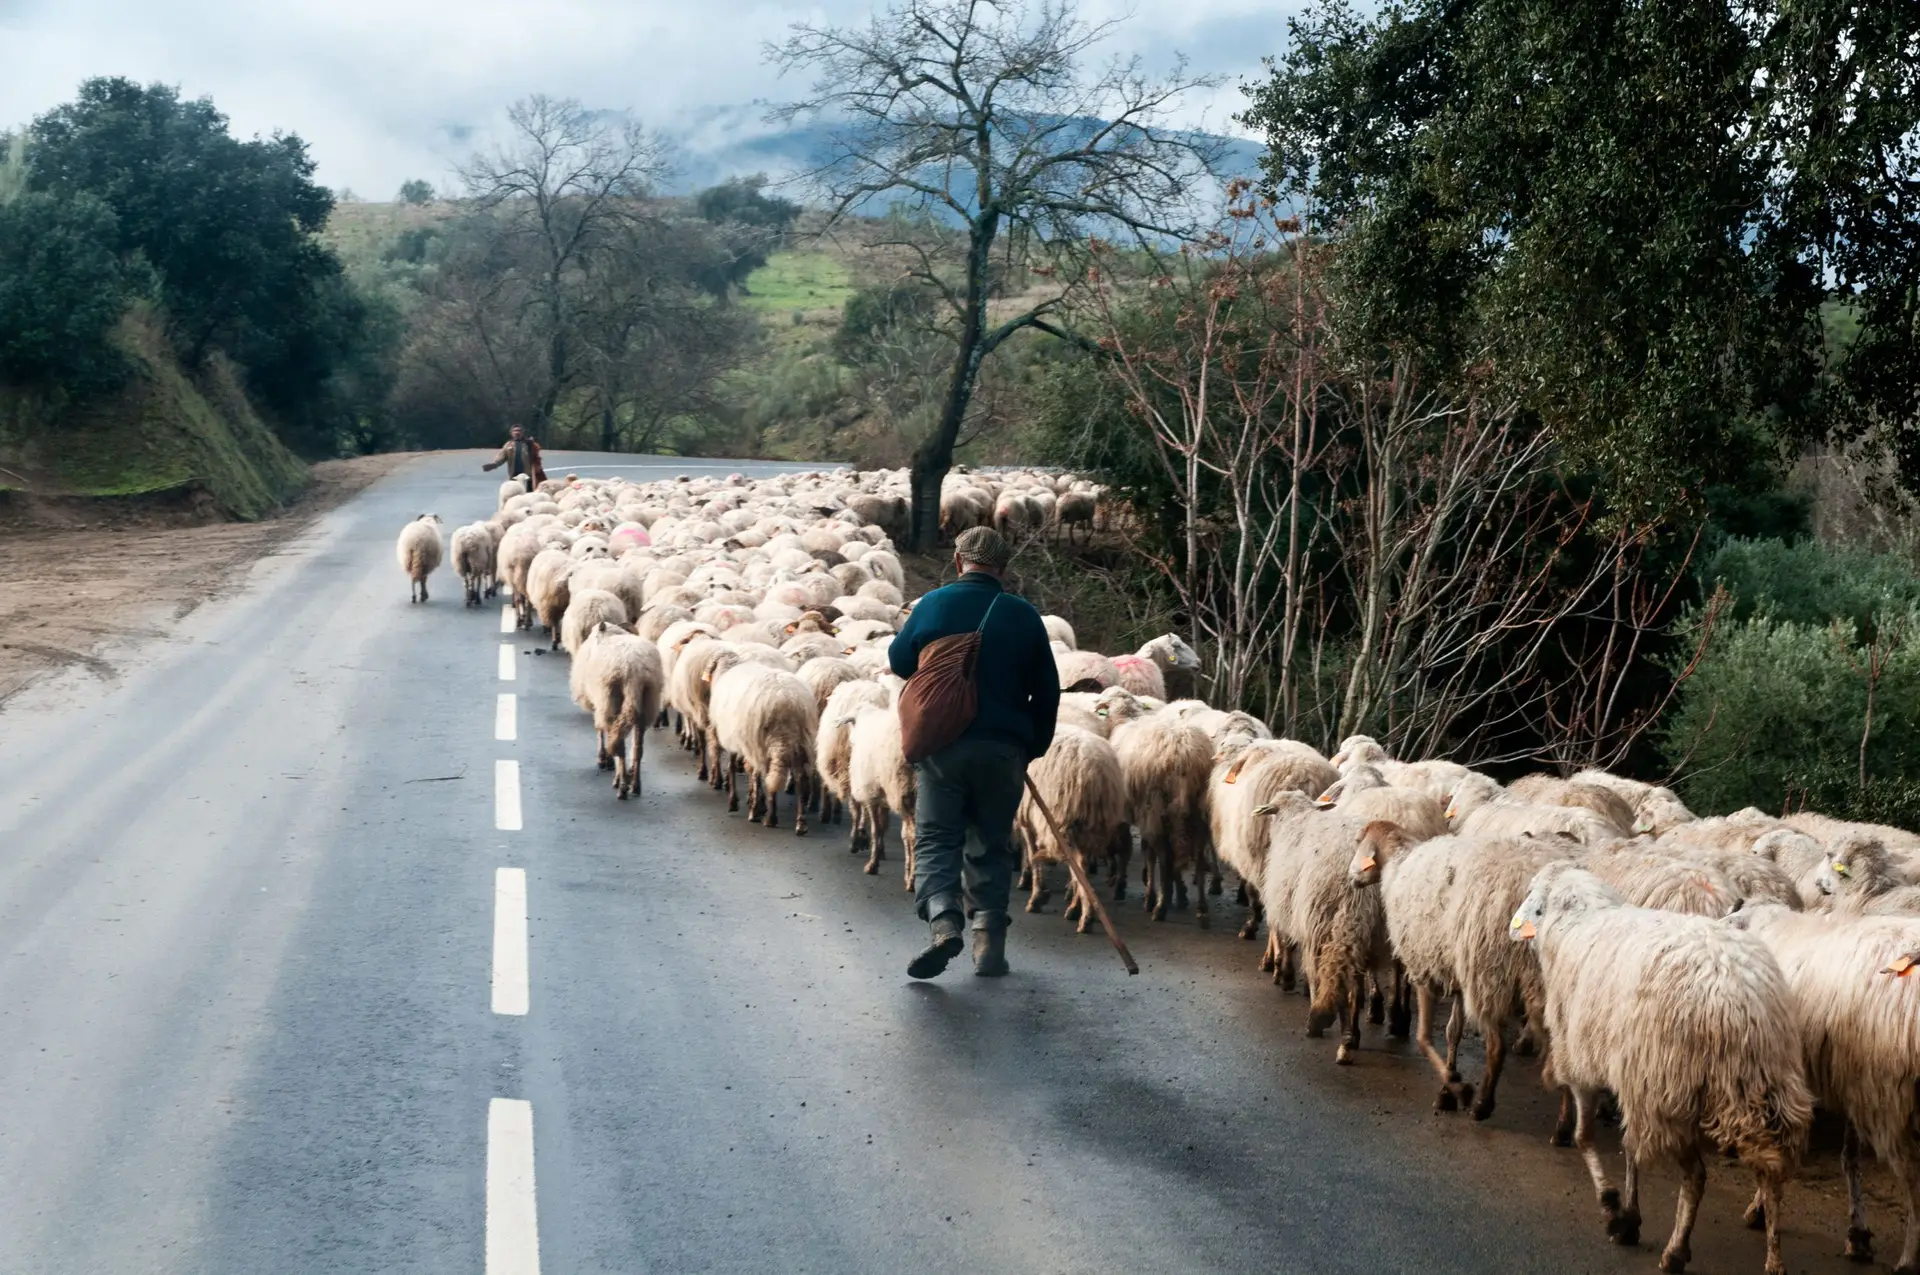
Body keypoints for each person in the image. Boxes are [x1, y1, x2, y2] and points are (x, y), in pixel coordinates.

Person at [888, 526, 1060, 979]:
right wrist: (1032, 746)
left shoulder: (933, 604)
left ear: (958, 561)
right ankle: (989, 947)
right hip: (1004, 749)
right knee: (991, 841)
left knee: (936, 837)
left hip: (943, 746)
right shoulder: (1023, 615)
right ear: (1003, 568)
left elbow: (900, 661)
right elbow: (1047, 691)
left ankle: (944, 921)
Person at [482, 425, 546, 488]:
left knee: (528, 494)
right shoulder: (508, 445)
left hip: (528, 478)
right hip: (514, 476)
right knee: (514, 493)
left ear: (523, 432)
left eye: (519, 431)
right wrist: (494, 464)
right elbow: (501, 457)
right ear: (511, 433)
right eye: (515, 431)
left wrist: (537, 469)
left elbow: (537, 458)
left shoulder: (530, 444)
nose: (517, 432)